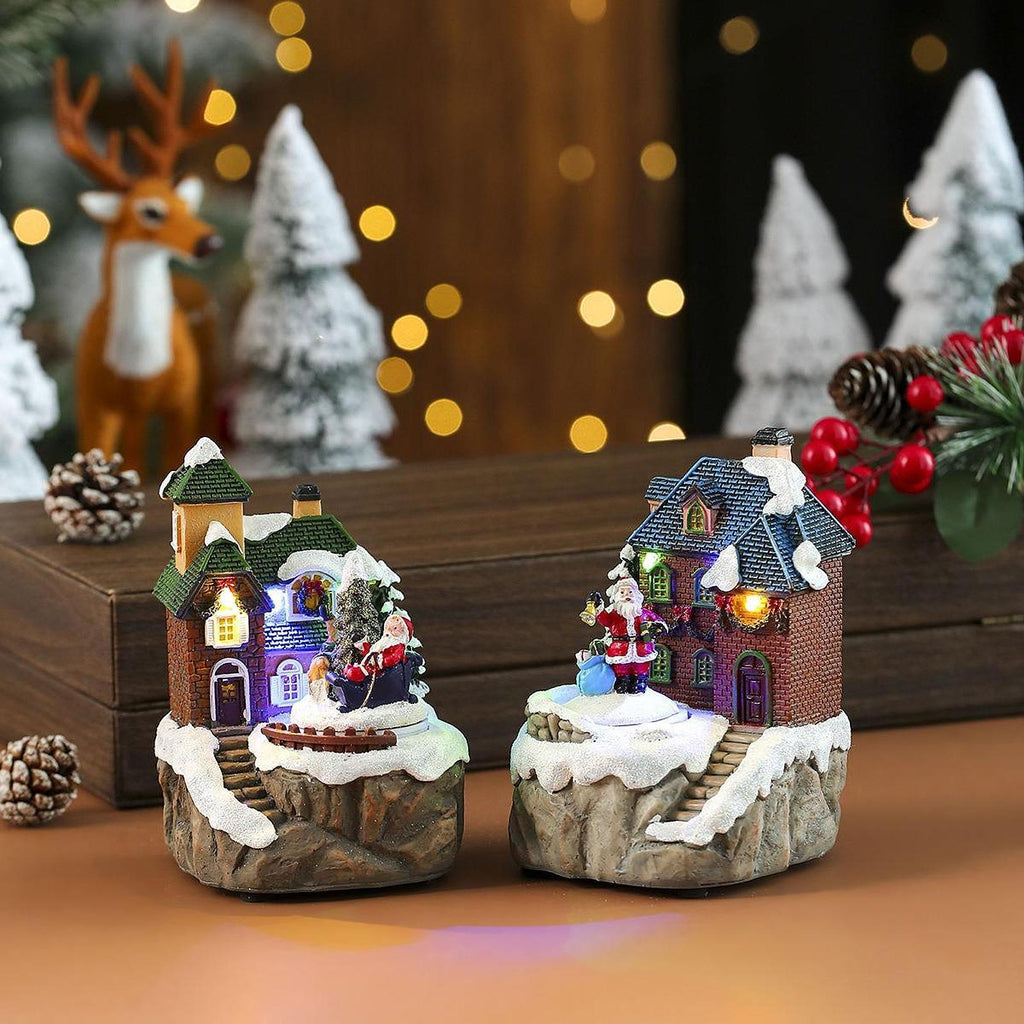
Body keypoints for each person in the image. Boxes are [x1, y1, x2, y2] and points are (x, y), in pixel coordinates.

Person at [582, 575, 666, 694]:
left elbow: (659, 622)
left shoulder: (644, 613)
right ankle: (622, 684)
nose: (627, 595)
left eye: (630, 592)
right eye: (622, 592)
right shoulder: (614, 615)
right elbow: (604, 620)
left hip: (641, 648)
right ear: (617, 596)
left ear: (636, 595)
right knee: (621, 670)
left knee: (640, 669)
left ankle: (639, 684)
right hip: (619, 649)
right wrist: (598, 607)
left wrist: (657, 627)